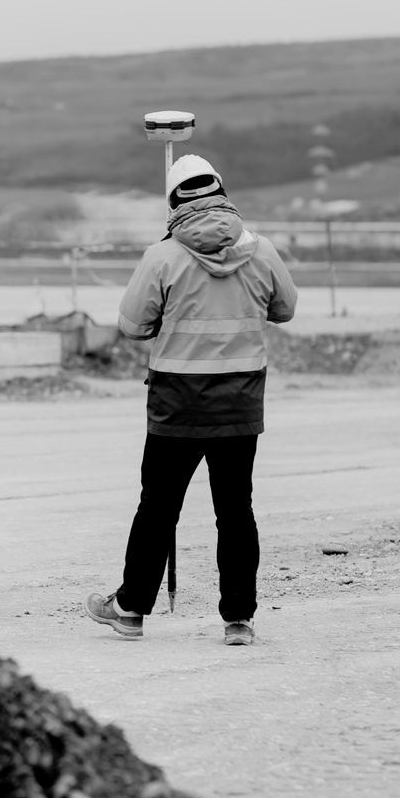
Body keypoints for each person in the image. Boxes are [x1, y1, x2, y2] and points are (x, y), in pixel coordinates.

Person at [86, 153, 297, 646]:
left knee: (158, 509)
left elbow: (133, 325)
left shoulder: (162, 257)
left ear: (174, 202)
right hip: (240, 402)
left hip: (176, 404)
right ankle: (239, 619)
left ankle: (132, 608)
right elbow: (284, 309)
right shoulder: (261, 251)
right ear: (221, 192)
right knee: (235, 510)